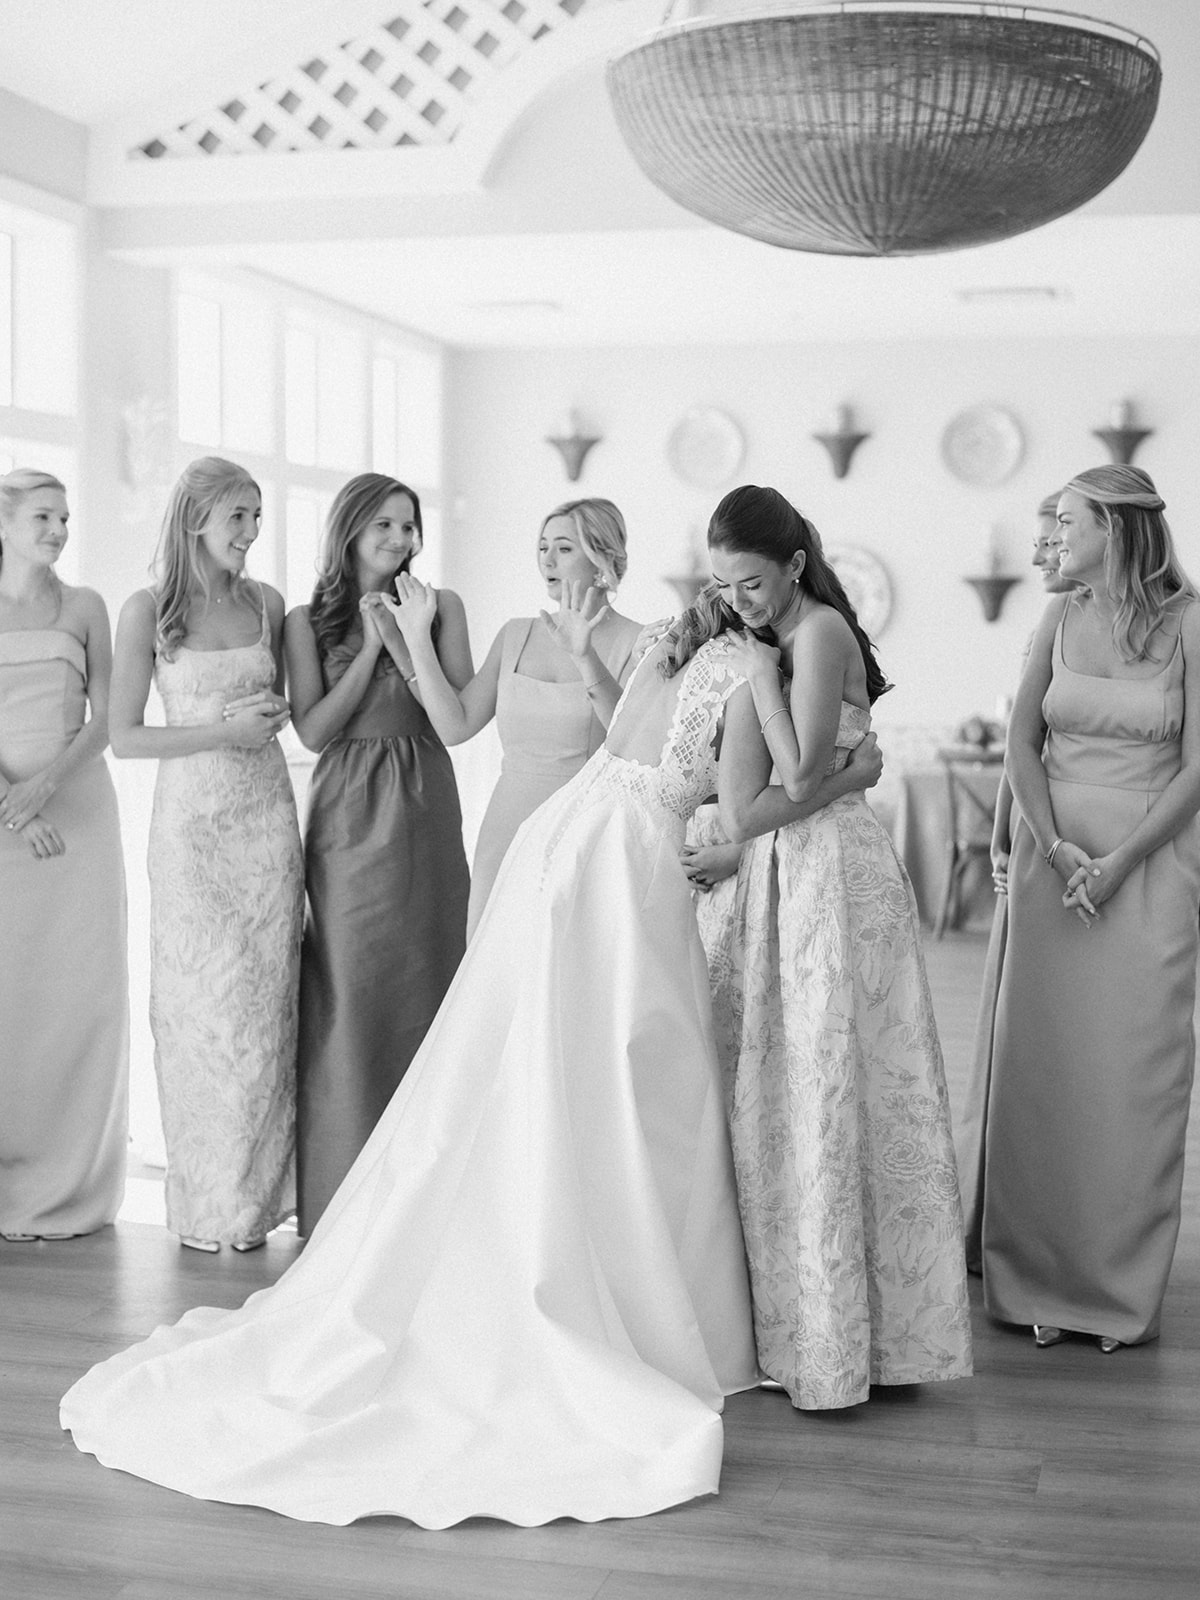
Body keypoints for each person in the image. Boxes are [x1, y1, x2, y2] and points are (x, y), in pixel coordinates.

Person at [60, 583, 881, 1529]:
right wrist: (848, 770)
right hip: (629, 859)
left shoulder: (670, 645)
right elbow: (745, 807)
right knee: (632, 1071)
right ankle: (634, 1291)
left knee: (559, 1056)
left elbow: (627, 738)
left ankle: (586, 1241)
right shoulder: (747, 668)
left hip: (569, 830)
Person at [707, 485, 973, 1410]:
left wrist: (759, 681)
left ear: (792, 565)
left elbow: (796, 776)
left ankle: (866, 1338)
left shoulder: (816, 633)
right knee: (793, 1091)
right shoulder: (774, 635)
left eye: (750, 583)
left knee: (841, 1085)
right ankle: (810, 1327)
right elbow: (769, 796)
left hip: (833, 878)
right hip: (787, 871)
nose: (738, 601)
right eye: (723, 586)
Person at [981, 465, 1200, 1352]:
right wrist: (1051, 843)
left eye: (1070, 521)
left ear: (1116, 526)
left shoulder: (1192, 623)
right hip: (1055, 864)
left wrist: (1120, 862)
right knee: (1046, 1077)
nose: (1055, 536)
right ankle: (1037, 1280)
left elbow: (1198, 768)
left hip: (1149, 867)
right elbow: (1020, 741)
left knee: (1133, 1078)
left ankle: (1115, 1294)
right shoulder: (1058, 616)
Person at [108, 456, 302, 1254]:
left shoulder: (269, 604)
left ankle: (256, 1205)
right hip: (191, 831)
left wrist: (272, 715)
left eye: (256, 515)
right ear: (196, 520)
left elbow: (288, 711)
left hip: (266, 825)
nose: (251, 532)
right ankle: (203, 1204)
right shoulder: (147, 611)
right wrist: (223, 730)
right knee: (200, 1011)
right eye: (237, 517)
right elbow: (125, 737)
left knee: (264, 1012)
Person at [284, 474, 471, 1234]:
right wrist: (369, 649)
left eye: (409, 526)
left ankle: (429, 1201)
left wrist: (407, 636)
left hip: (424, 799)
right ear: (350, 531)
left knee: (430, 980)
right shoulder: (305, 621)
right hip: (346, 810)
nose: (400, 539)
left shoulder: (441, 606)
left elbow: (455, 713)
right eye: (384, 526)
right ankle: (341, 1197)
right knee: (349, 988)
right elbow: (312, 729)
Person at [397, 497, 643, 936]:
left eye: (564, 548)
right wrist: (416, 636)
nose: (547, 559)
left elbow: (633, 746)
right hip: (505, 830)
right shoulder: (516, 634)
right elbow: (455, 726)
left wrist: (585, 656)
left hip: (582, 831)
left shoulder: (637, 641)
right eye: (543, 547)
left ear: (602, 558)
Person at [0, 469, 128, 1242]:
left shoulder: (85, 607)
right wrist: (13, 807)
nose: (59, 531)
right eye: (44, 517)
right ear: (4, 522)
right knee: (9, 999)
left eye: (66, 518)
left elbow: (108, 717)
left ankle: (66, 1184)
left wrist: (44, 788)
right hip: (5, 821)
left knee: (76, 1000)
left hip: (77, 814)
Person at [959, 493, 1072, 1270]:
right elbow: (1020, 745)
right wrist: (1003, 833)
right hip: (1038, 838)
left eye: (1050, 541)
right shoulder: (1049, 625)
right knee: (1010, 1027)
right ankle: (990, 1215)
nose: (1038, 556)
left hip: (1082, 839)